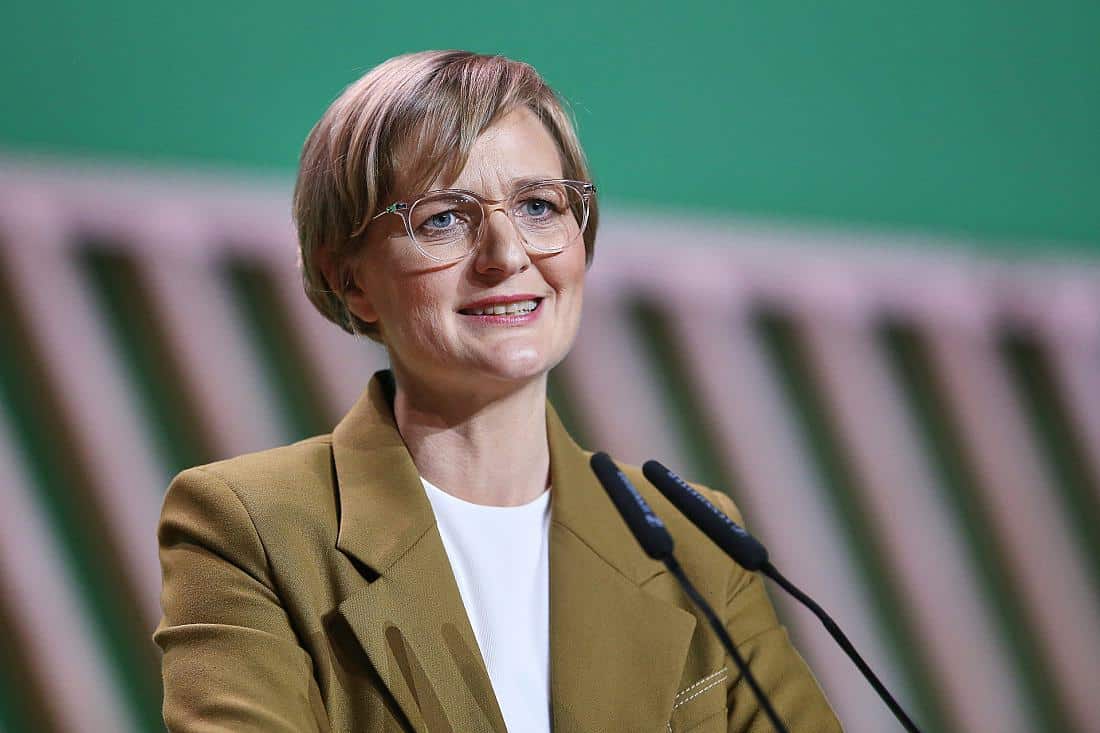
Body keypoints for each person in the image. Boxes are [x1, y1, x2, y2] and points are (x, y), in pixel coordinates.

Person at [153, 49, 841, 732]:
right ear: (351, 279)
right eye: (443, 218)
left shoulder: (692, 538)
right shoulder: (252, 526)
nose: (507, 255)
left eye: (539, 205)